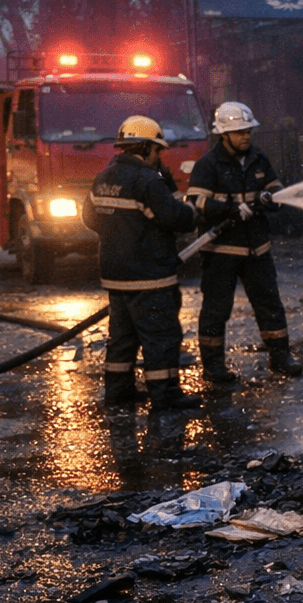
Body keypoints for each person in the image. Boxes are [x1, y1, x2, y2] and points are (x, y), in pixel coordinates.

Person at [84, 115, 200, 411]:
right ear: (146, 147)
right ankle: (165, 395)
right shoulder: (148, 181)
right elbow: (178, 219)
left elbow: (90, 219)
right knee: (161, 337)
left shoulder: (103, 177)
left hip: (115, 276)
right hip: (150, 277)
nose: (159, 156)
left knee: (122, 339)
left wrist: (119, 234)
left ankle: (118, 393)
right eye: (157, 150)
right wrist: (192, 208)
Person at [186, 100, 302, 382]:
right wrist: (231, 209)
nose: (246, 136)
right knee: (216, 310)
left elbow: (276, 189)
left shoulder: (258, 158)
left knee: (270, 305)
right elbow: (197, 202)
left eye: (248, 131)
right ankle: (213, 366)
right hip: (221, 251)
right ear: (223, 135)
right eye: (239, 132)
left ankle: (280, 356)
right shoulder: (207, 165)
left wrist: (268, 199)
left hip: (257, 248)